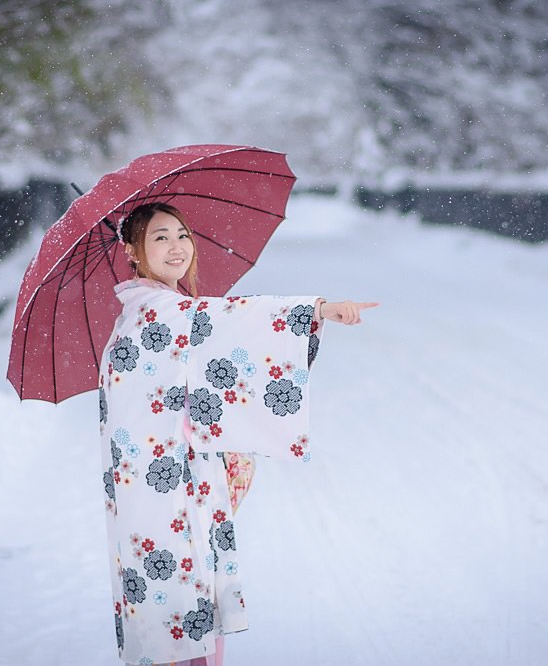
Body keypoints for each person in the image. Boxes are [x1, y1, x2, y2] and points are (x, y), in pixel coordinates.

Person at [99, 202, 377, 666]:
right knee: (181, 615)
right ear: (132, 249)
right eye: (160, 237)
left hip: (152, 497)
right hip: (167, 499)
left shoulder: (147, 310)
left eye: (182, 235)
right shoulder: (160, 312)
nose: (177, 247)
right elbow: (233, 319)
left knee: (173, 618)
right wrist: (317, 310)